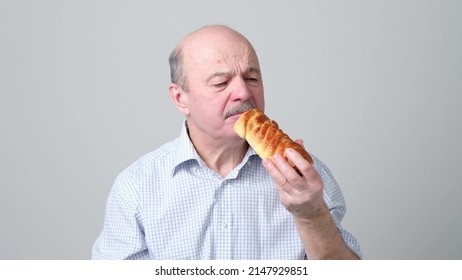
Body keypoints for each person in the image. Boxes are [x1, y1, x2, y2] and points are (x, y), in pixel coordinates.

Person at [92, 25, 361, 260]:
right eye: (221, 83)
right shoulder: (136, 187)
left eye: (252, 78)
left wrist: (311, 215)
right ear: (180, 98)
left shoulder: (307, 179)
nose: (244, 92)